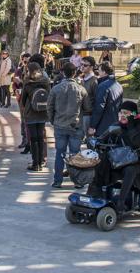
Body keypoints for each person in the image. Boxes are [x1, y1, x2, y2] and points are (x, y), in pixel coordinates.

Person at [85, 100, 140, 214]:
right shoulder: (116, 126)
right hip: (118, 160)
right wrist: (94, 142)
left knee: (130, 170)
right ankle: (94, 195)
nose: (122, 115)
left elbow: (138, 144)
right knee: (100, 163)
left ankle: (121, 203)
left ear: (133, 115)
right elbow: (102, 139)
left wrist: (131, 126)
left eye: (126, 113)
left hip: (138, 161)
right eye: (121, 112)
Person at [47, 60, 87, 188]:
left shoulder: (56, 89)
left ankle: (57, 180)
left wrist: (53, 120)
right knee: (75, 154)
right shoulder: (81, 90)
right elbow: (87, 108)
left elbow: (50, 107)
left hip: (60, 124)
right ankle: (77, 181)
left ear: (63, 73)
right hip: (75, 125)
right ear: (75, 73)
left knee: (60, 153)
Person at [20, 60, 51, 172]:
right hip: (42, 113)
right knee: (40, 137)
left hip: (31, 113)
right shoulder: (46, 82)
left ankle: (35, 164)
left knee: (33, 138)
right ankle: (41, 162)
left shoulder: (28, 83)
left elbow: (23, 100)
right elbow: (49, 96)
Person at [89, 62, 123, 137]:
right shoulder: (118, 85)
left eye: (99, 71)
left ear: (104, 72)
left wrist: (92, 126)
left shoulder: (103, 86)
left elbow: (99, 107)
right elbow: (120, 106)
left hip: (103, 127)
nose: (98, 73)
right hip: (115, 125)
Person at [13, 51, 31, 149]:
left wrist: (21, 82)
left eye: (28, 62)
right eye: (25, 62)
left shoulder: (34, 72)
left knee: (29, 120)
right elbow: (14, 84)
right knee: (23, 119)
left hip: (31, 100)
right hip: (21, 99)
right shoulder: (19, 70)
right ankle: (25, 140)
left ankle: (30, 142)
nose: (26, 64)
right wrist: (16, 89)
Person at [79, 56, 98, 135]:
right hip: (80, 114)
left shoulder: (94, 81)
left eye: (85, 65)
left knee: (89, 140)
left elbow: (97, 100)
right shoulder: (81, 79)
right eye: (81, 64)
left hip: (88, 115)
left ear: (92, 67)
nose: (82, 67)